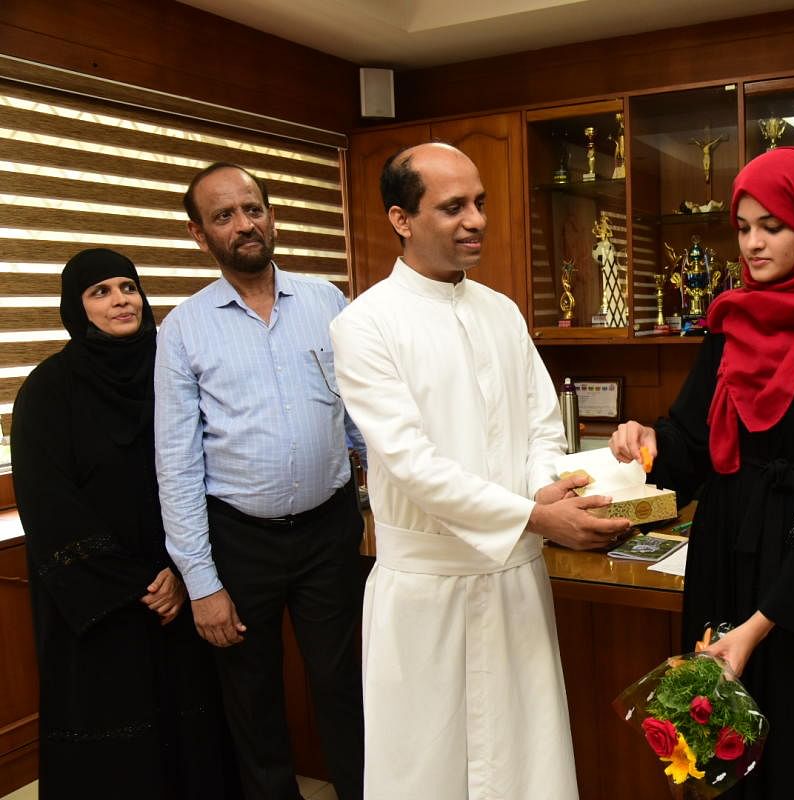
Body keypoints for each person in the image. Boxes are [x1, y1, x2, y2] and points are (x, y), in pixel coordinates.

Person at [328, 142, 630, 799]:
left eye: (481, 203)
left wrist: (549, 485)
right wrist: (533, 514)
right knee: (426, 769)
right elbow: (412, 463)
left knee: (526, 766)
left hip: (513, 579)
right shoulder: (364, 325)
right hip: (426, 590)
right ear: (401, 219)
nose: (476, 220)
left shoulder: (502, 310)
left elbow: (542, 425)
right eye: (453, 206)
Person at [610, 146, 794, 799]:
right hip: (725, 559)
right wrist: (647, 442)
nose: (754, 242)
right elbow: (692, 444)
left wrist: (757, 628)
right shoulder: (729, 324)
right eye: (743, 227)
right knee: (719, 752)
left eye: (773, 225)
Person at [155, 163, 366, 800]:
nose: (245, 224)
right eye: (224, 216)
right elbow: (177, 463)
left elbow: (364, 420)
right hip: (239, 542)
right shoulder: (183, 329)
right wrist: (201, 583)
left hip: (330, 530)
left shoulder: (329, 302)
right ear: (200, 235)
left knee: (346, 687)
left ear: (271, 215)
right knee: (253, 700)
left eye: (253, 208)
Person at [11, 248, 240, 798]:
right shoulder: (47, 391)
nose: (120, 300)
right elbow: (48, 504)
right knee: (116, 731)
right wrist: (136, 582)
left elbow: (210, 465)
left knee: (193, 723)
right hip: (101, 601)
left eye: (128, 287)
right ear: (76, 307)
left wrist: (182, 568)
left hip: (182, 580)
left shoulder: (174, 371)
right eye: (101, 292)